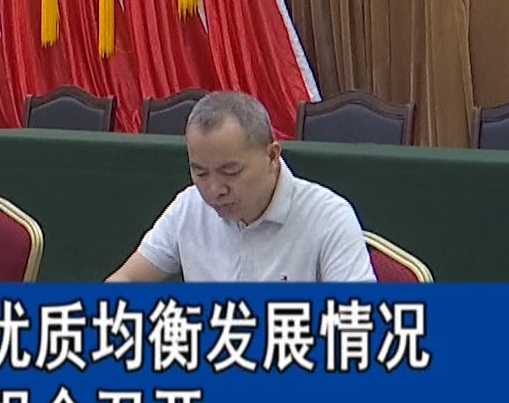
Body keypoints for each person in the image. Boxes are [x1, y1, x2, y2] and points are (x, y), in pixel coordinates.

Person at [107, 91, 375, 283]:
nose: (214, 190)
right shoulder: (189, 207)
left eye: (230, 172)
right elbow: (126, 280)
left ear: (272, 157)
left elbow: (358, 325)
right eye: (200, 172)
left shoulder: (328, 217)